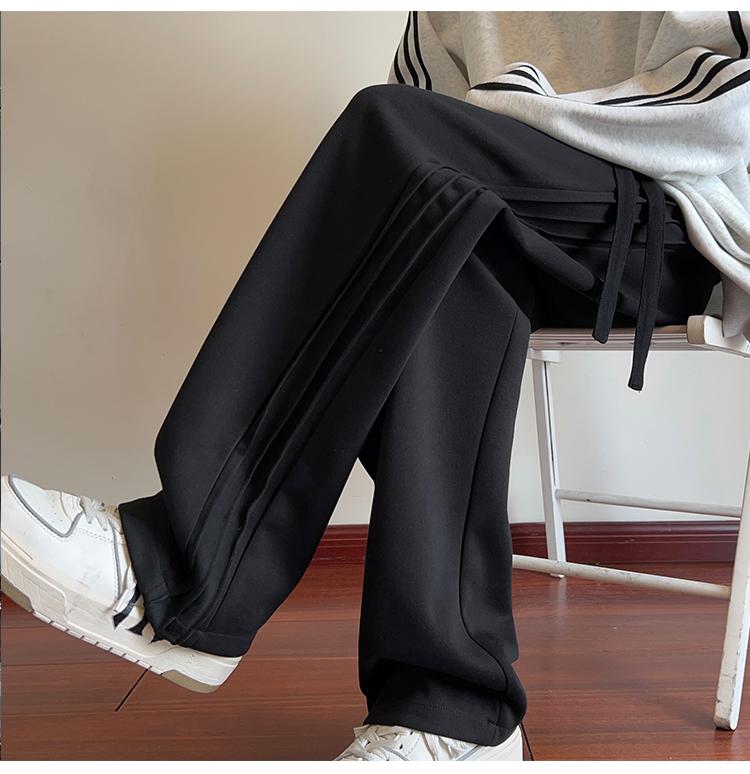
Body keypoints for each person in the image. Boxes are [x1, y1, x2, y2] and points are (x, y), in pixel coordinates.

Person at [2, 11, 748, 762]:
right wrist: (483, 139)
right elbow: (424, 114)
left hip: (672, 215)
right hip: (507, 205)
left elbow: (727, 106)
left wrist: (513, 120)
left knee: (403, 146)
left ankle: (175, 571)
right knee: (442, 236)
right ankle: (454, 717)